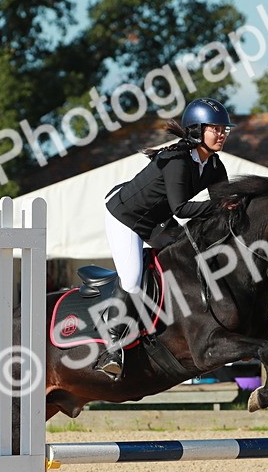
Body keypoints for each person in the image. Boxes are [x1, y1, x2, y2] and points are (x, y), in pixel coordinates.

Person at [98, 97, 233, 377]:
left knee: (191, 257)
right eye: (216, 129)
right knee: (132, 279)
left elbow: (223, 207)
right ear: (197, 130)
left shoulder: (215, 166)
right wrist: (221, 205)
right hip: (125, 216)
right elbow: (182, 209)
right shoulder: (177, 161)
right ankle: (110, 349)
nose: (222, 134)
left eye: (224, 130)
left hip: (156, 220)